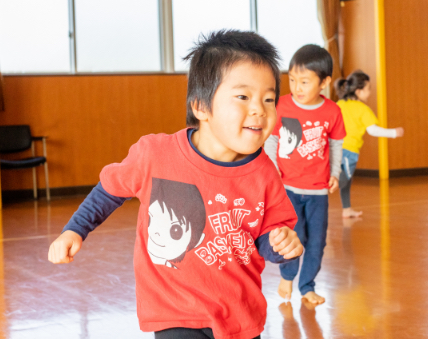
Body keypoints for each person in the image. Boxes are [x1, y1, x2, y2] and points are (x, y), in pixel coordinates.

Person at [48, 30, 304, 339]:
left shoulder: (264, 173)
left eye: (269, 99)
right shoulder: (155, 154)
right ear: (201, 107)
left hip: (240, 315)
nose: (259, 110)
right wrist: (75, 229)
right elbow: (110, 189)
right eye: (243, 97)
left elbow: (265, 236)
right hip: (175, 311)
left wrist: (282, 245)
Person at [265, 44, 346, 305]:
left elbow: (335, 145)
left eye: (304, 81)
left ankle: (307, 285)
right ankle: (287, 276)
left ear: (324, 82)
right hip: (287, 188)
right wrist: (273, 168)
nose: (296, 87)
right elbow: (272, 140)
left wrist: (334, 173)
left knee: (317, 242)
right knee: (293, 235)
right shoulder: (282, 105)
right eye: (292, 79)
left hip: (318, 191)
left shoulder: (332, 111)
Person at [335, 70, 404, 218]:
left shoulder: (339, 104)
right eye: (368, 89)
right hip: (349, 151)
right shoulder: (363, 109)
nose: (370, 92)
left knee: (346, 182)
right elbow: (372, 130)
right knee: (342, 181)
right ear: (359, 91)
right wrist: (393, 133)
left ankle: (347, 209)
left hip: (334, 148)